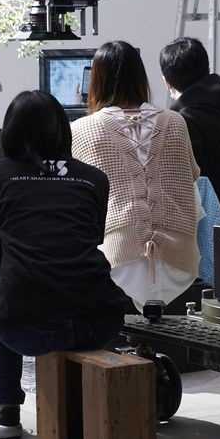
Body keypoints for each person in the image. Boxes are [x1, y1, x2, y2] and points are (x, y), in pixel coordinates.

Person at [0, 90, 132, 439]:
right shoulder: (93, 178)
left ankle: (6, 406)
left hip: (28, 330)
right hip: (100, 322)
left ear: (9, 131)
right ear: (62, 128)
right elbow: (86, 243)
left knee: (0, 285)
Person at [70, 40, 202, 310]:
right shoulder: (176, 121)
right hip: (181, 263)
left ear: (96, 80)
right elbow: (192, 188)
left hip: (116, 262)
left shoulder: (81, 129)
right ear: (141, 77)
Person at [158, 36, 220, 222]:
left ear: (167, 82)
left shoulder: (182, 122)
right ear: (207, 67)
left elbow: (178, 186)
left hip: (216, 228)